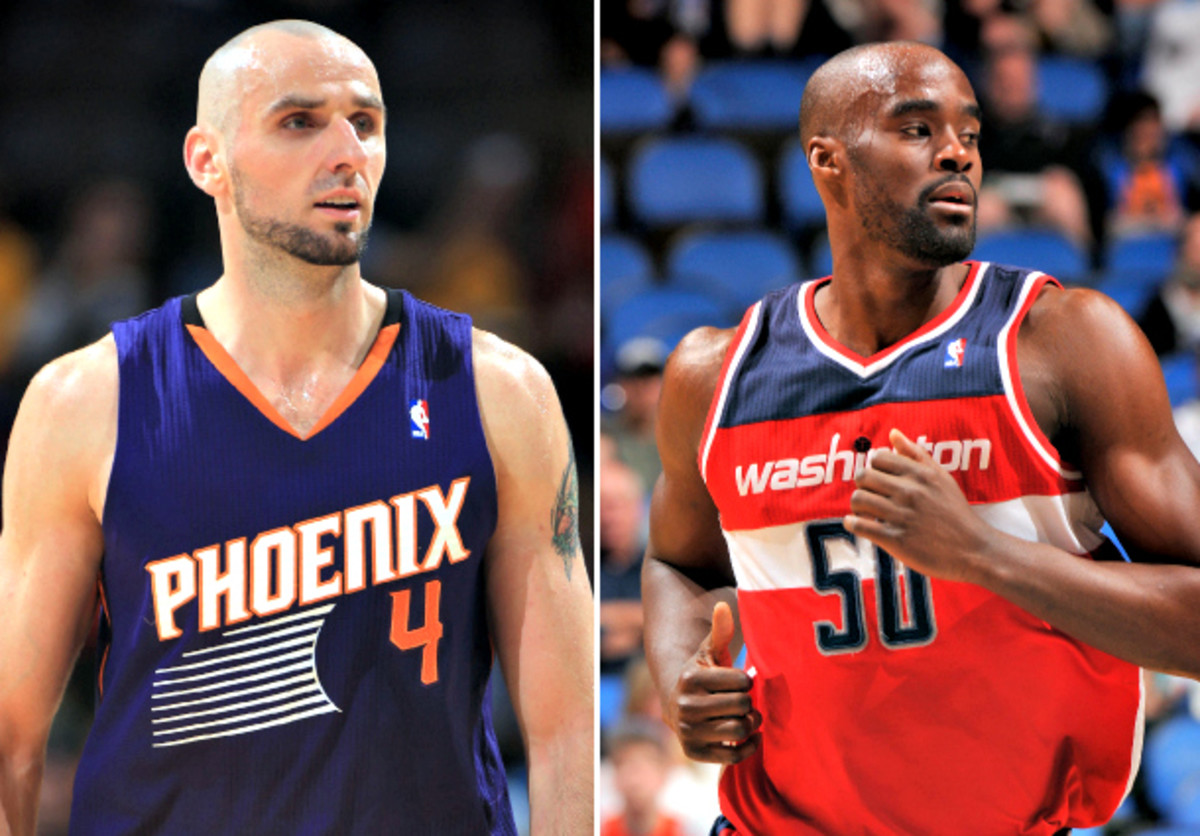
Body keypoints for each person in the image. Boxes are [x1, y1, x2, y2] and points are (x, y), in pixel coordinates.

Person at [0, 20, 593, 836]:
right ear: (207, 161)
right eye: (299, 121)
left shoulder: (500, 391)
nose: (347, 152)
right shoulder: (83, 402)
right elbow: (11, 735)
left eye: (366, 123)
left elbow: (566, 733)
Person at [642, 40, 1200, 835]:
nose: (957, 154)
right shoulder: (715, 375)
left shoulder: (1064, 343)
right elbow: (677, 562)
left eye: (969, 134)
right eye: (917, 129)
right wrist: (679, 679)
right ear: (828, 161)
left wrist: (982, 554)